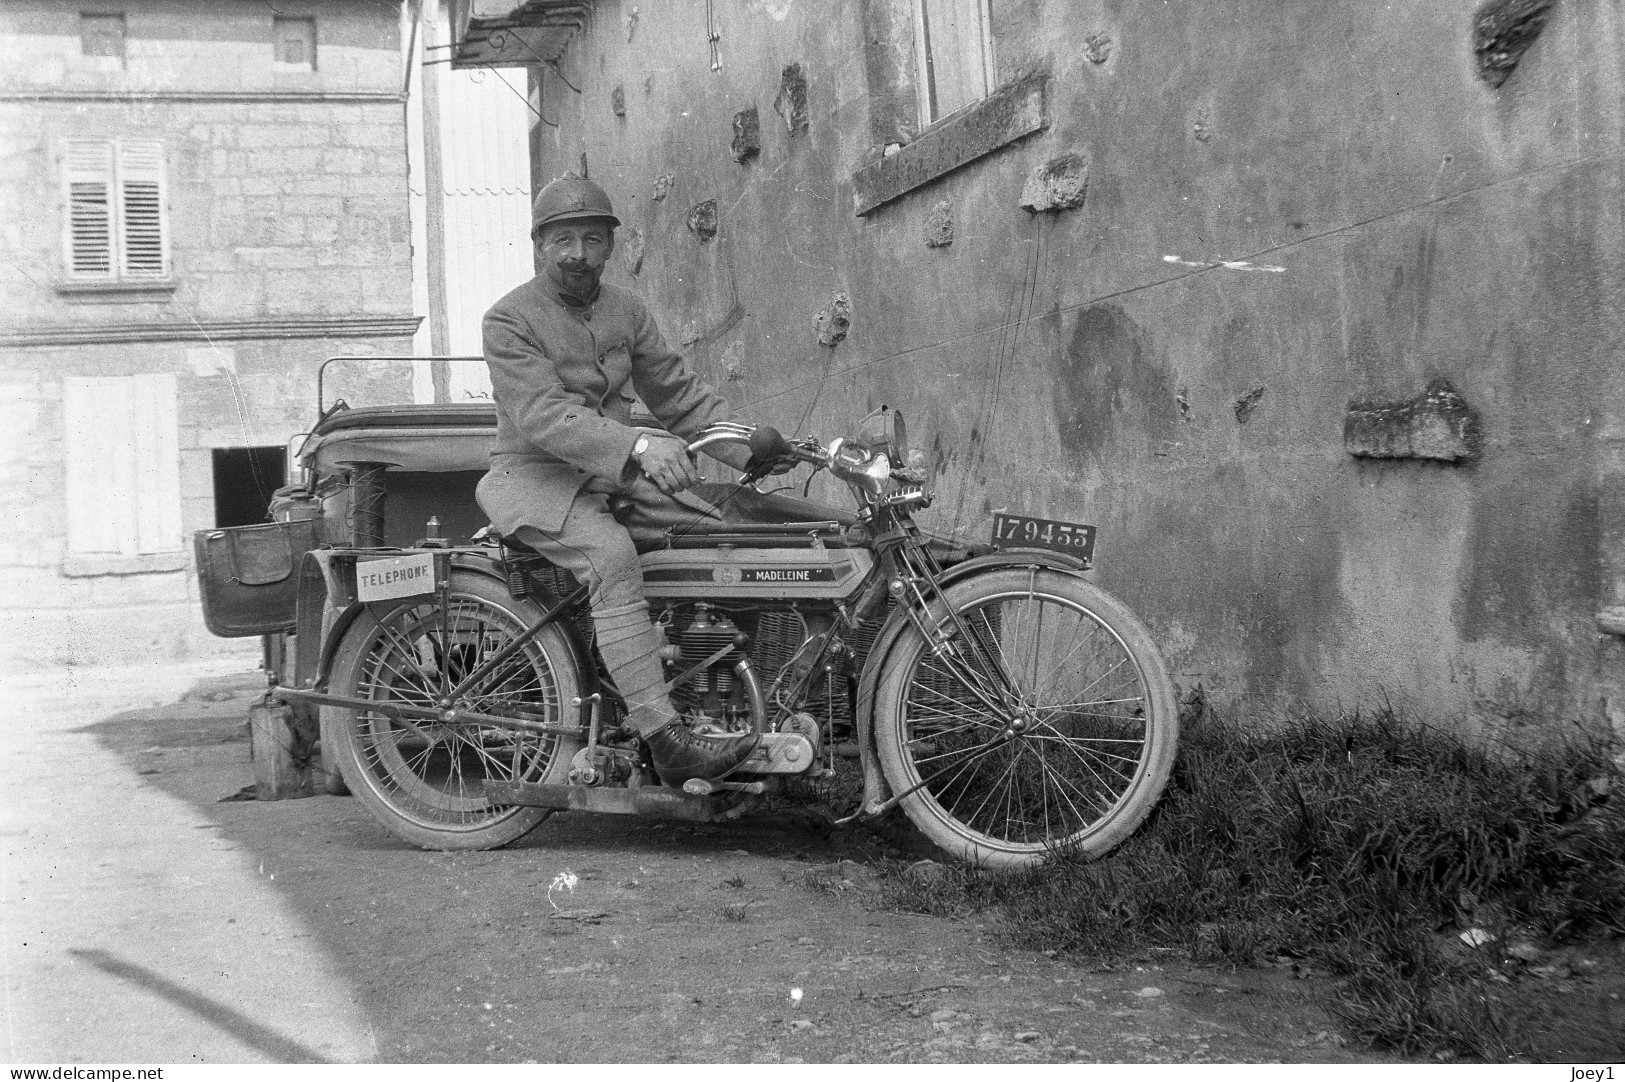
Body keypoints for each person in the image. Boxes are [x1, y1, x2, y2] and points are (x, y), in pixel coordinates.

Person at [475, 174, 761, 787]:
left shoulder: (627, 311)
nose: (577, 254)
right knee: (611, 556)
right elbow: (544, 416)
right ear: (539, 246)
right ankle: (665, 738)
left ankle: (731, 702)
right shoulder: (508, 319)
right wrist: (637, 443)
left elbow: (678, 396)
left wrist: (753, 447)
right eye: (562, 240)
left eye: (591, 239)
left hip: (614, 482)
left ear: (609, 245)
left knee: (726, 532)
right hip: (533, 479)